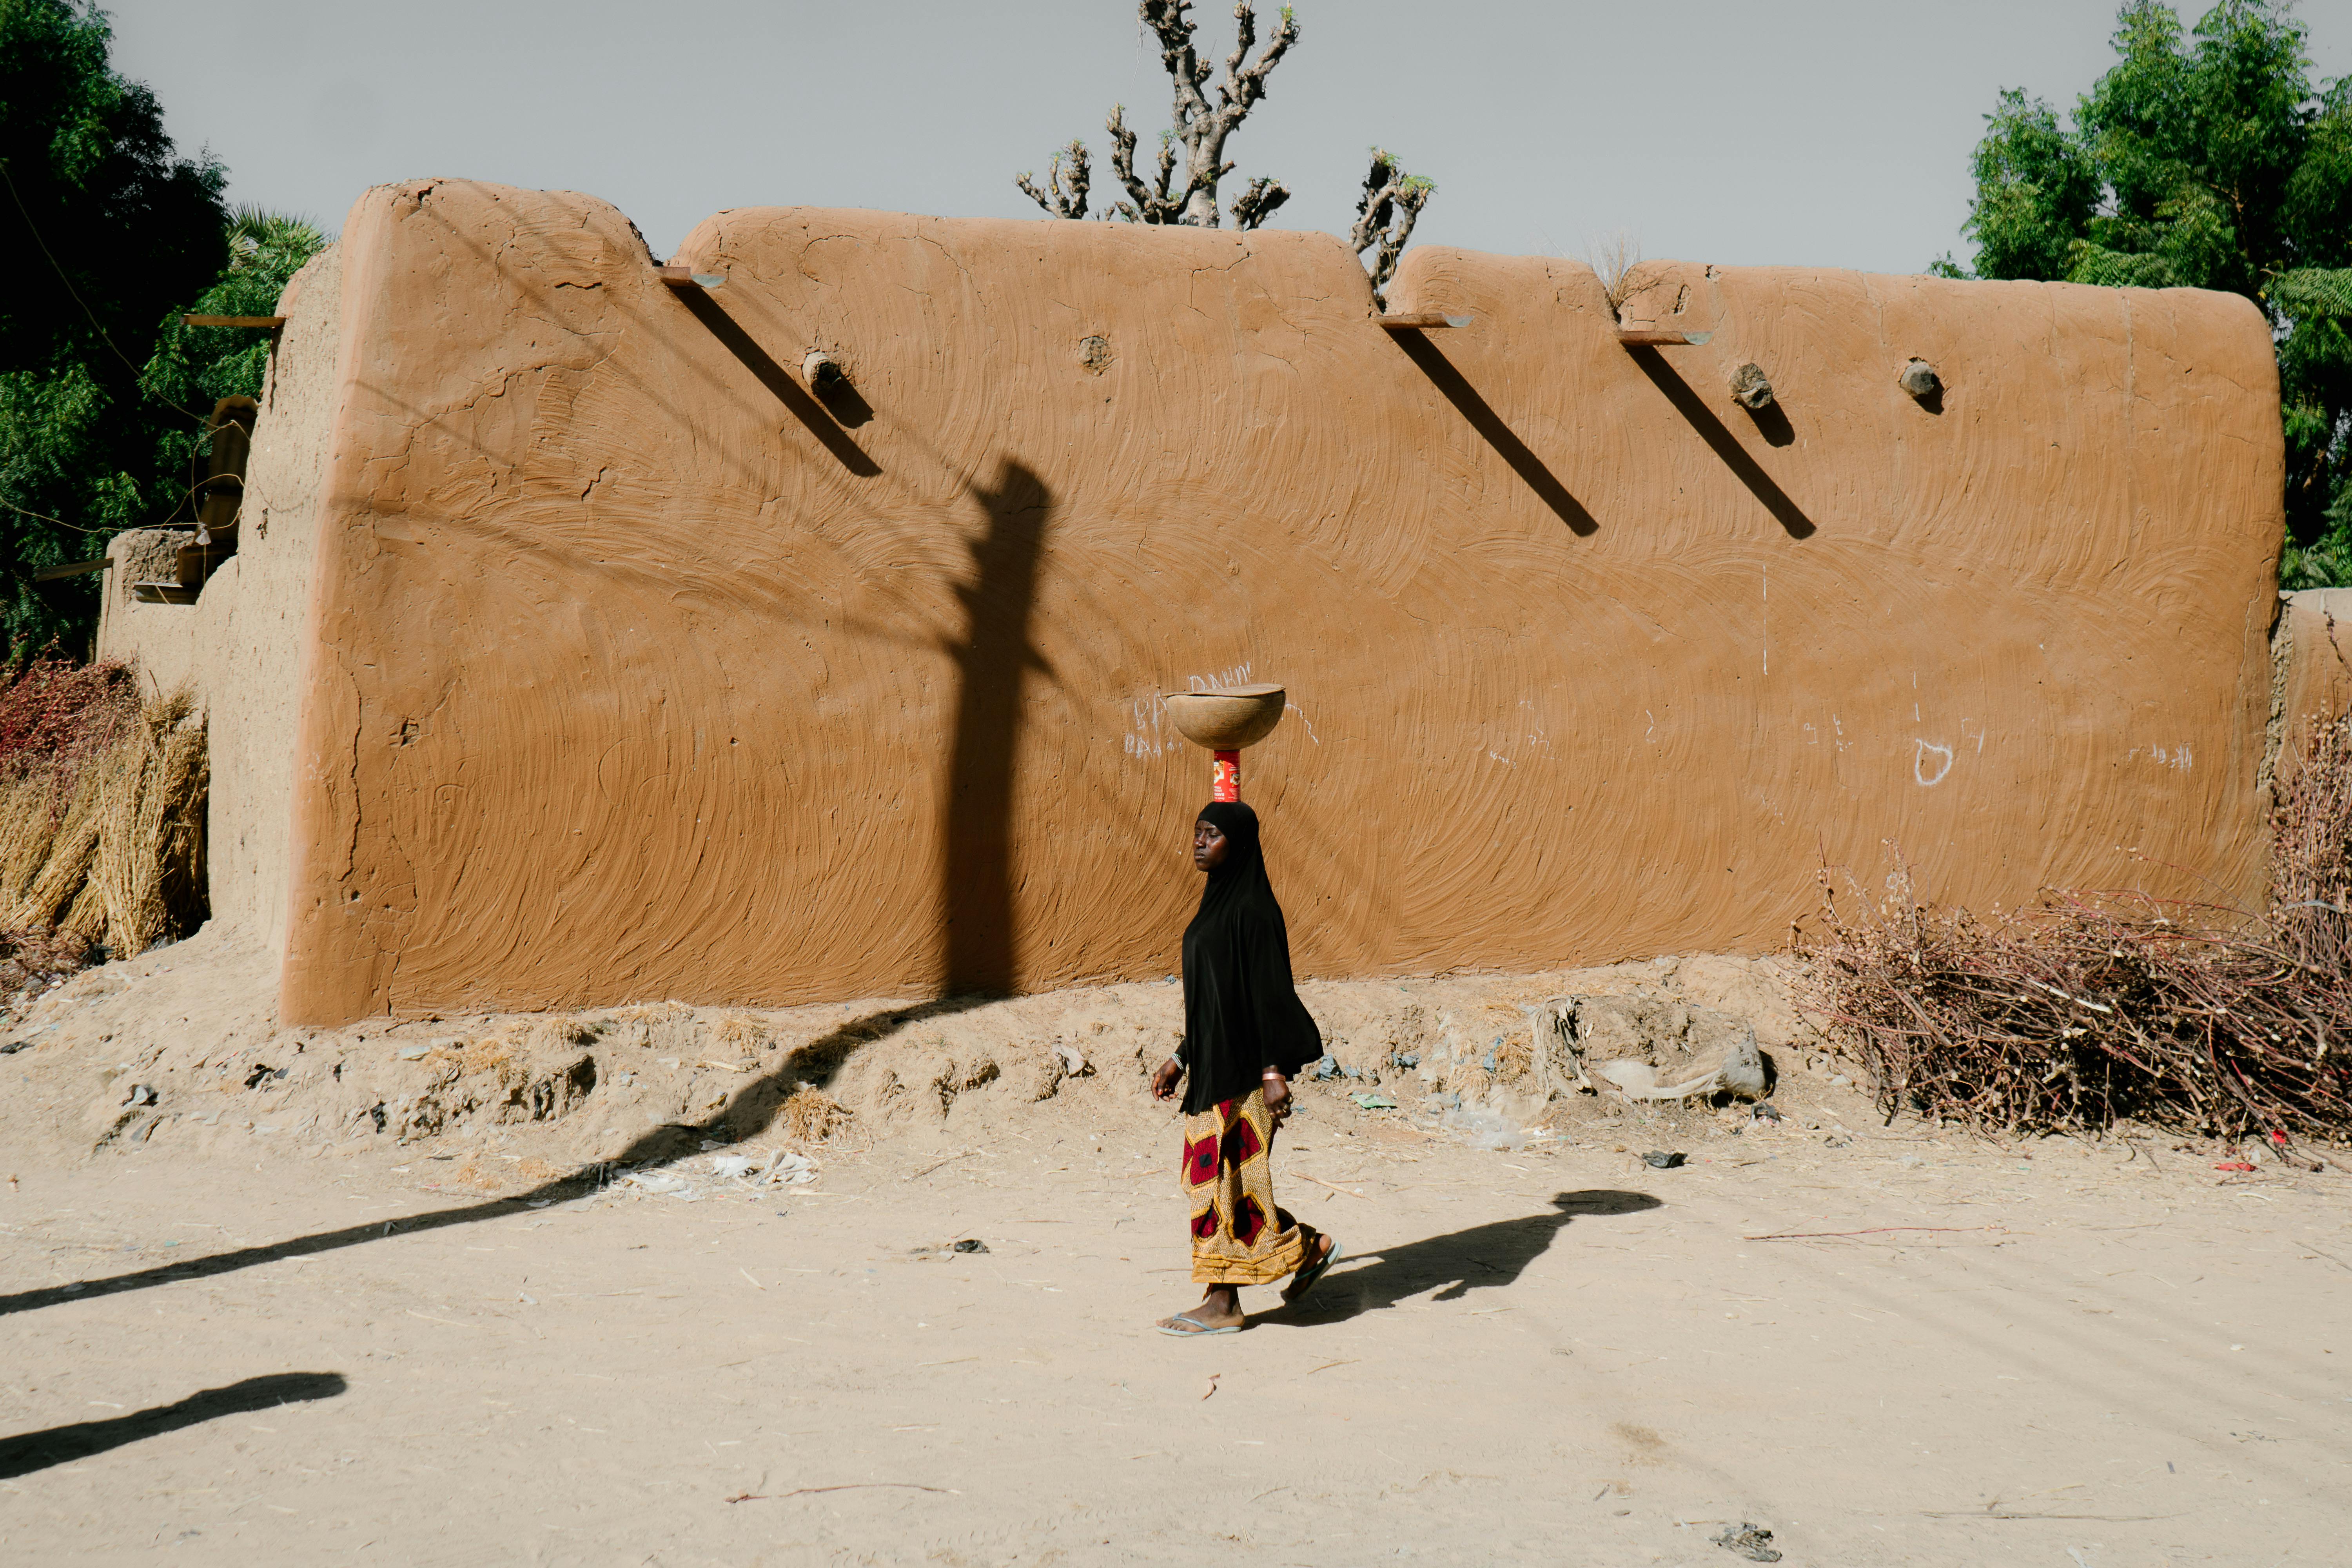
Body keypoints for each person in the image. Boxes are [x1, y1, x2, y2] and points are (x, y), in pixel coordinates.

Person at [1149, 800, 1341, 1336]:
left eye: (1212, 834)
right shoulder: (1215, 908)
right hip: (1212, 1069)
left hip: (1246, 1076)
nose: (1200, 842)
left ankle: (1224, 1302)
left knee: (1221, 1186)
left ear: (1240, 845)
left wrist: (1273, 1069)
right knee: (1215, 1182)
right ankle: (1307, 1249)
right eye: (1197, 832)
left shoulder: (1255, 911)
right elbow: (1217, 1003)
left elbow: (1268, 995)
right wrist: (1181, 1057)